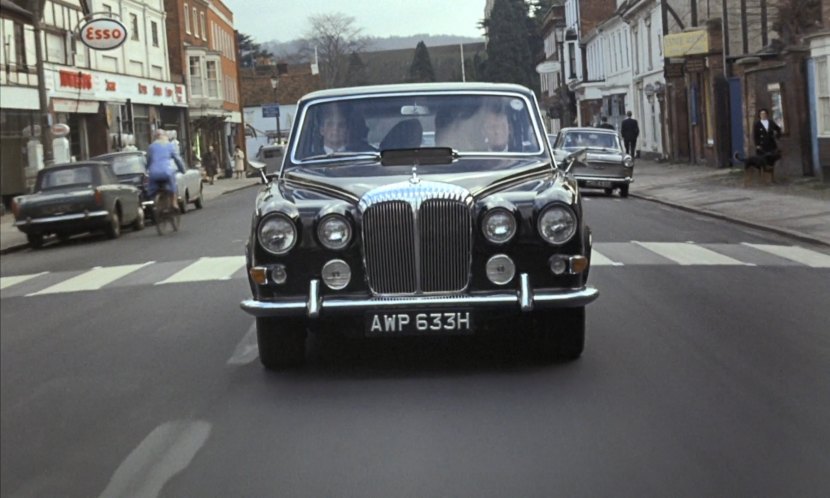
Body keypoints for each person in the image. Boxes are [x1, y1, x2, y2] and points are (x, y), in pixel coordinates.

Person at [146, 129, 185, 202]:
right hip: (166, 172)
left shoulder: (151, 147)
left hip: (154, 173)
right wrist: (183, 170)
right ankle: (174, 201)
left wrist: (146, 170)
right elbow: (178, 159)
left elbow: (148, 161)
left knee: (152, 189)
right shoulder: (169, 145)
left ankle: (153, 201)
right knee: (172, 184)